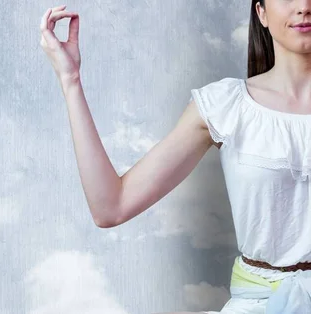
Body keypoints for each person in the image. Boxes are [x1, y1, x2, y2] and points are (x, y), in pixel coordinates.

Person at [40, 1, 311, 313]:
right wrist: (70, 80)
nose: (303, 6)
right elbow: (110, 206)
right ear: (261, 11)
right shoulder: (225, 107)